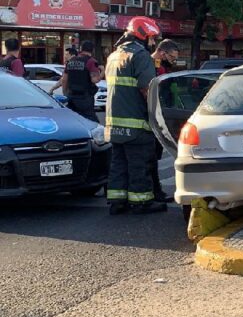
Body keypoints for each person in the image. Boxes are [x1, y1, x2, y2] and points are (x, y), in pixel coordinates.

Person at [105, 16, 164, 215]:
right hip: (136, 124)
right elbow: (147, 89)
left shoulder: (114, 55)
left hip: (114, 125)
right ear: (143, 35)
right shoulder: (140, 55)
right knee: (140, 164)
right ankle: (141, 202)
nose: (153, 42)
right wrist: (159, 112)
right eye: (152, 38)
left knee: (118, 164)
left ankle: (117, 201)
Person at [149, 40, 179, 203]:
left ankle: (154, 190)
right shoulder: (150, 66)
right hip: (153, 117)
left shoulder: (162, 67)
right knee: (151, 158)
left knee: (154, 157)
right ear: (162, 53)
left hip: (161, 115)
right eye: (172, 57)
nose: (173, 61)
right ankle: (154, 191)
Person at [58, 41, 102, 122]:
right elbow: (95, 80)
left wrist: (66, 94)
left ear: (81, 49)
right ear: (92, 50)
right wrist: (103, 71)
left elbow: (64, 80)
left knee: (73, 120)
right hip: (85, 98)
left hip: (72, 96)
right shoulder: (91, 61)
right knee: (92, 123)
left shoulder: (71, 61)